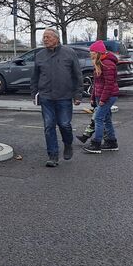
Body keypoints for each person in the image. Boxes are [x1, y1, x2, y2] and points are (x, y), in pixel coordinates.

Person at [30, 28, 83, 167]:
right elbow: (35, 77)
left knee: (64, 124)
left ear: (56, 38)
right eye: (44, 37)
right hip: (46, 97)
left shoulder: (69, 53)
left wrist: (78, 95)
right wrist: (34, 93)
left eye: (48, 37)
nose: (45, 39)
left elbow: (77, 75)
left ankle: (68, 144)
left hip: (64, 96)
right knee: (49, 126)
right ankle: (52, 155)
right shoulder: (40, 55)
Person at [83, 40, 119, 153]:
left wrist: (103, 99)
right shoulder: (99, 62)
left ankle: (96, 144)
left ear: (97, 52)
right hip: (102, 95)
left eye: (92, 53)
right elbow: (97, 84)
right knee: (106, 119)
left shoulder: (107, 64)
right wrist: (93, 98)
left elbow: (109, 84)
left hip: (108, 95)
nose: (91, 55)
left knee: (98, 118)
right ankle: (111, 142)